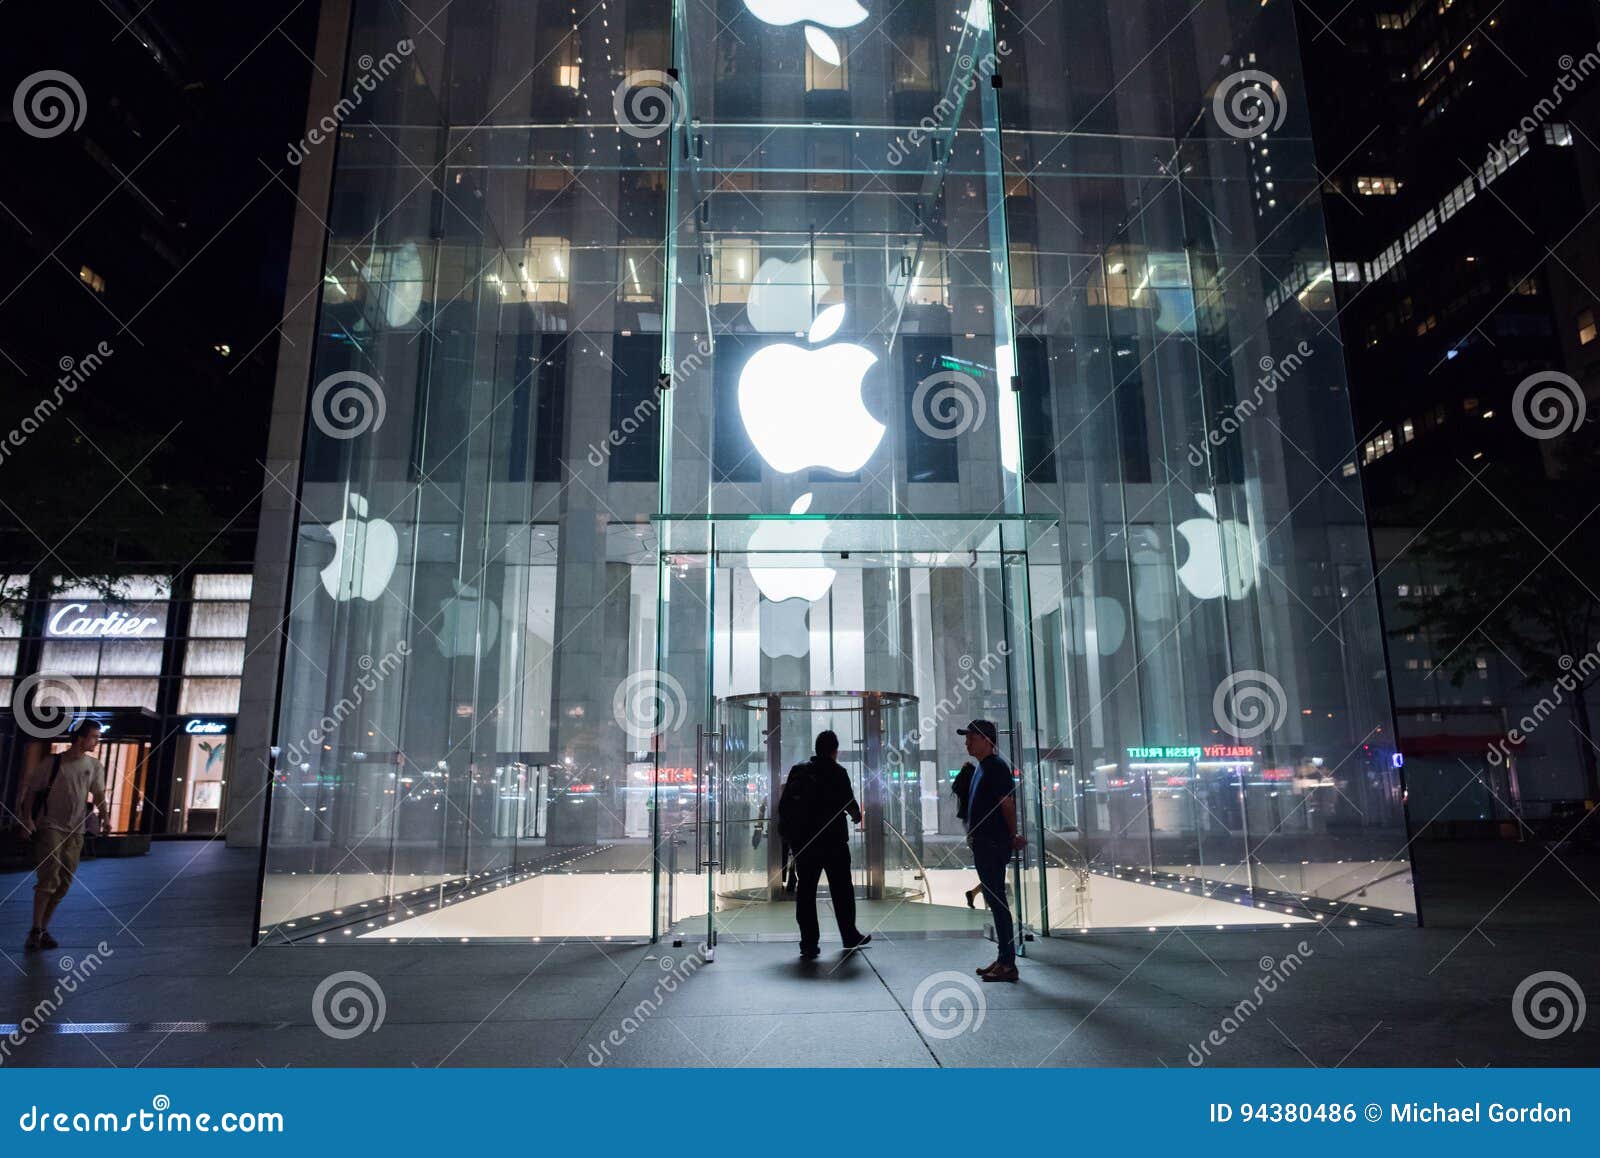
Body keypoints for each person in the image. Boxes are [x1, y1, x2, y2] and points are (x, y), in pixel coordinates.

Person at [777, 730, 871, 959]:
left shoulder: (798, 771)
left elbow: (785, 804)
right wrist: (857, 816)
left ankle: (809, 944)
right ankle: (849, 934)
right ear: (834, 750)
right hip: (833, 844)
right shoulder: (838, 772)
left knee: (806, 892)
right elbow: (850, 804)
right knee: (842, 890)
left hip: (805, 844)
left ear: (817, 748)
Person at [19, 719, 108, 952]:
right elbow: (32, 792)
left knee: (64, 883)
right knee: (49, 877)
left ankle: (43, 929)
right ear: (80, 738)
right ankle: (36, 930)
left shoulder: (94, 766)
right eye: (94, 737)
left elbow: (99, 794)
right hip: (50, 826)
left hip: (75, 830)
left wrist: (106, 818)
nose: (97, 741)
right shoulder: (53, 763)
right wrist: (27, 819)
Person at [958, 720, 1025, 982]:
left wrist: (1012, 835)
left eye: (971, 737)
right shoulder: (983, 768)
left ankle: (1008, 964)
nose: (967, 742)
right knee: (995, 902)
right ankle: (1002, 959)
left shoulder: (996, 767)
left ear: (987, 741)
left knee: (998, 903)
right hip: (985, 843)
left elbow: (1007, 803)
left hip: (993, 843)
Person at [951, 761, 984, 908]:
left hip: (970, 830)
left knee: (986, 868)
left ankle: (974, 893)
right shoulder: (975, 792)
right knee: (991, 870)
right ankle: (978, 894)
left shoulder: (962, 791)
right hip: (981, 831)